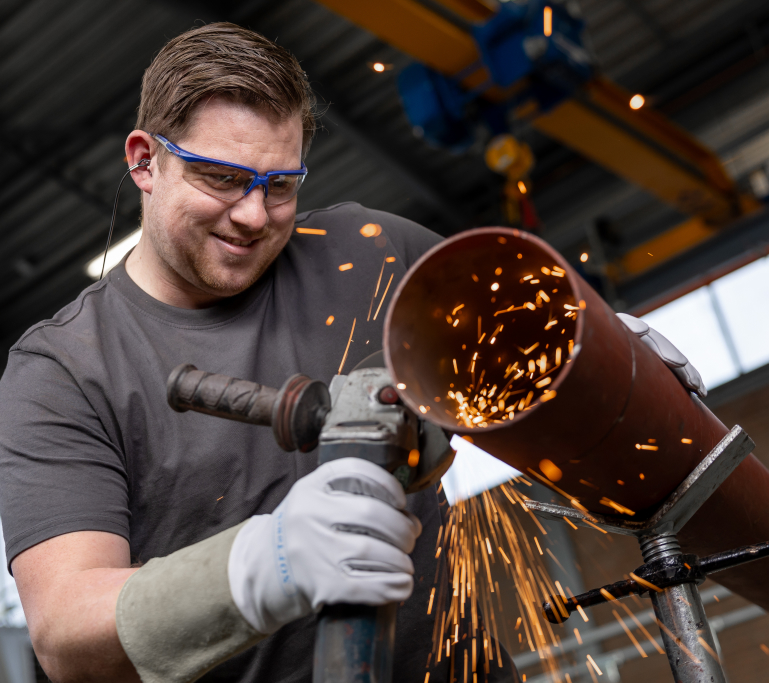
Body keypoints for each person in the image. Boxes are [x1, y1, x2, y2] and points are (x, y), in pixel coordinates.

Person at [0, 21, 706, 683]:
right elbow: (65, 629)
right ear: (143, 161)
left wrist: (601, 349)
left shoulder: (363, 254)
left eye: (279, 185)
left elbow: (518, 342)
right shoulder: (65, 370)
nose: (252, 215)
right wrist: (262, 566)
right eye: (221, 179)